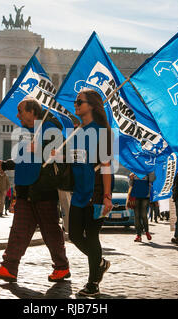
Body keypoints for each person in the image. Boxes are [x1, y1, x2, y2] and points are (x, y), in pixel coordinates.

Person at [0, 97, 70, 284]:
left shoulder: (50, 128)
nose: (17, 115)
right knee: (18, 231)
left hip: (43, 189)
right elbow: (24, 158)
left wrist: (40, 149)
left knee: (50, 231)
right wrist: (6, 165)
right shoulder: (25, 131)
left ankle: (62, 267)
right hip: (25, 190)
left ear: (33, 112)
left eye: (21, 111)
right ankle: (9, 267)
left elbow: (64, 154)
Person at [66, 89, 113, 297]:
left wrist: (107, 196)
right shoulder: (76, 132)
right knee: (75, 235)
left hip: (95, 191)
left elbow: (106, 166)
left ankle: (93, 283)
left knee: (92, 236)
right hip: (78, 192)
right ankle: (100, 263)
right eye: (75, 102)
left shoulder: (101, 132)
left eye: (79, 102)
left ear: (92, 105)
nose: (75, 105)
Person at [129, 172, 155, 242]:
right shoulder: (134, 169)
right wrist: (131, 178)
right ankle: (138, 235)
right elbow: (130, 184)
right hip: (135, 195)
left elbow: (152, 180)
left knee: (143, 215)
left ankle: (147, 232)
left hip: (145, 195)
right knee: (137, 216)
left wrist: (150, 172)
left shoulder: (147, 168)